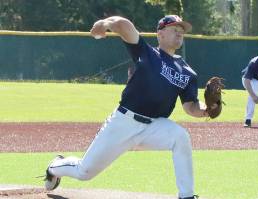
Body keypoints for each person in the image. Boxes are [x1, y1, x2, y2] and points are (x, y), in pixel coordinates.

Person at [44, 15, 214, 199]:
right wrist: (104, 24)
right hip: (124, 122)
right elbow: (124, 25)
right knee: (84, 172)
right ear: (160, 34)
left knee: (181, 137)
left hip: (154, 126)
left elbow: (190, 107)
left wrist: (208, 108)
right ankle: (55, 166)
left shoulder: (188, 72)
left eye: (182, 30)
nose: (180, 33)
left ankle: (186, 196)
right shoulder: (147, 53)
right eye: (175, 29)